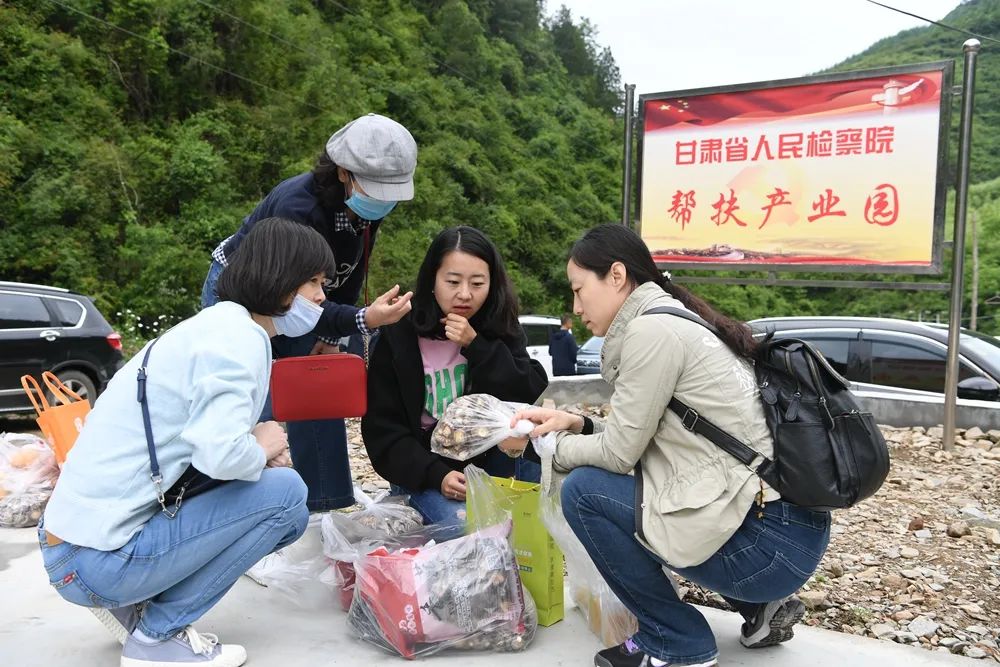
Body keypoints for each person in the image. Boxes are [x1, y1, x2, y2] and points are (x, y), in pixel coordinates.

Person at [508, 224, 831, 667]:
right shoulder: (675, 320)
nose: (576, 306)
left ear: (617, 276)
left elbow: (621, 455)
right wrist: (578, 424)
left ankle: (676, 641)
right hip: (786, 531)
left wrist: (548, 447)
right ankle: (757, 606)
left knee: (583, 491)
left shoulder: (650, 332)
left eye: (581, 290)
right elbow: (641, 441)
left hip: (768, 546)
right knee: (644, 489)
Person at [39, 218, 334, 667]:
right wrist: (263, 445)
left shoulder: (210, 327)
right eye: (313, 281)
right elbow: (220, 455)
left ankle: (133, 605)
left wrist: (254, 449)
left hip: (69, 542)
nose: (321, 297)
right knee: (288, 499)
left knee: (268, 485)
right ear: (279, 280)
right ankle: (157, 637)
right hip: (93, 560)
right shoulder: (241, 341)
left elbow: (198, 447)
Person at [201, 113, 416, 511]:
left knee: (318, 388)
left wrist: (331, 338)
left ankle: (325, 505)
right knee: (254, 394)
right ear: (343, 172)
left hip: (306, 294)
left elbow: (347, 278)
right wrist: (361, 319)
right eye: (376, 189)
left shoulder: (366, 211)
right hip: (250, 291)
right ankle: (243, 510)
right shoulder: (296, 206)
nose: (384, 202)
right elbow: (286, 295)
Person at [361, 226, 548, 537]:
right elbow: (383, 430)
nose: (465, 294)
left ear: (492, 284)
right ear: (432, 281)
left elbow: (528, 389)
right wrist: (436, 475)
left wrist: (477, 346)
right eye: (452, 282)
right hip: (426, 472)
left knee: (530, 524)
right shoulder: (400, 334)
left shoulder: (498, 326)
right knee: (470, 531)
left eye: (477, 283)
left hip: (491, 465)